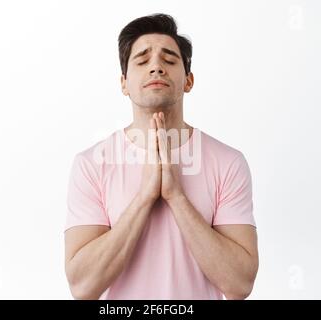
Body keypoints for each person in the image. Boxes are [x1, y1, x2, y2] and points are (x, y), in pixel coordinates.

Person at [64, 13, 258, 300]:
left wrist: (176, 196)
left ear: (188, 80)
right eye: (142, 61)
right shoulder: (91, 164)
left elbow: (240, 284)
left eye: (169, 60)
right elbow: (82, 287)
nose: (156, 67)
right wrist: (144, 196)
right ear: (124, 83)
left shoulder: (228, 162)